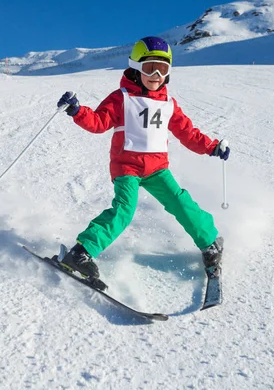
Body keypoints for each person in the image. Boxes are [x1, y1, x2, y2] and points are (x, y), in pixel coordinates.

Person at [56, 36, 229, 281]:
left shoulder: (169, 104)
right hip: (127, 167)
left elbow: (187, 133)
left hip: (157, 168)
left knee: (181, 203)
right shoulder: (122, 98)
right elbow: (98, 122)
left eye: (163, 68)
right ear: (135, 68)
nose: (157, 74)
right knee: (124, 210)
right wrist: (77, 111)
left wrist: (212, 147)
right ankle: (81, 253)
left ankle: (210, 243)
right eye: (150, 68)